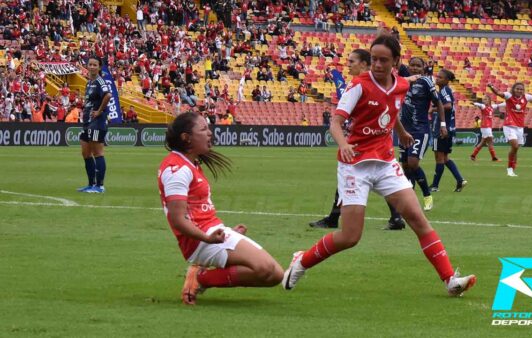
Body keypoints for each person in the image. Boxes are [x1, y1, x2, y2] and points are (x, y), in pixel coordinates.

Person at [286, 35, 476, 297]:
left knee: (418, 219)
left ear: (395, 61)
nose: (376, 64)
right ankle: (301, 261)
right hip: (355, 165)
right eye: (374, 59)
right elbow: (335, 122)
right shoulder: (358, 86)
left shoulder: (399, 84)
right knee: (351, 236)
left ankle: (450, 280)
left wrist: (402, 131)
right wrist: (343, 144)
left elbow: (392, 109)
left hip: (385, 163)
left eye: (383, 60)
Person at [158, 112, 284, 305]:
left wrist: (227, 231)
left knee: (275, 275)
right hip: (199, 240)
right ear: (186, 138)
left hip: (211, 232)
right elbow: (178, 219)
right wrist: (207, 238)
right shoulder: (176, 169)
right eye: (203, 129)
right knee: (265, 270)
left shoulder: (190, 163)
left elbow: (199, 210)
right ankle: (200, 278)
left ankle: (201, 276)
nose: (209, 133)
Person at [309, 49, 404, 230]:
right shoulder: (359, 84)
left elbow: (390, 109)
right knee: (357, 178)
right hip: (363, 139)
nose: (348, 64)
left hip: (372, 141)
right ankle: (395, 217)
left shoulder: (371, 84)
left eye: (352, 61)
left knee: (380, 177)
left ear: (363, 64)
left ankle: (395, 217)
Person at [398, 56, 445, 213]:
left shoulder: (426, 82)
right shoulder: (404, 80)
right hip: (404, 129)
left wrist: (443, 124)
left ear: (424, 67)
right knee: (405, 166)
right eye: (412, 65)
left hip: (420, 129)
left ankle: (427, 195)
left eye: (418, 66)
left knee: (413, 163)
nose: (415, 68)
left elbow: (438, 102)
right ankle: (410, 199)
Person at [488, 82, 532, 176]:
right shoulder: (508, 96)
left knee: (516, 148)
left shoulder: (526, 97)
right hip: (509, 126)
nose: (519, 91)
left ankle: (513, 167)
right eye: (517, 89)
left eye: (521, 89)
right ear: (514, 89)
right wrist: (491, 87)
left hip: (519, 127)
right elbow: (498, 93)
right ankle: (510, 169)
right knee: (514, 146)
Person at [77, 56, 112, 193]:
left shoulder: (100, 81)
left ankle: (100, 186)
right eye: (90, 64)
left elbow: (108, 95)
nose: (91, 67)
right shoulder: (89, 83)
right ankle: (91, 184)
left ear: (99, 67)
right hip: (87, 122)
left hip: (97, 122)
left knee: (97, 153)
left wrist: (99, 111)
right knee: (85, 152)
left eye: (94, 65)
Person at [429, 69, 467, 192]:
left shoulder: (445, 90)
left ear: (446, 80)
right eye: (437, 76)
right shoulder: (444, 90)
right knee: (445, 158)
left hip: (441, 129)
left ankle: (434, 186)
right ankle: (460, 180)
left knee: (439, 158)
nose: (437, 78)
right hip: (448, 128)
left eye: (440, 77)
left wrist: (432, 109)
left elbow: (448, 105)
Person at [470, 96, 504, 161]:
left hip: (487, 127)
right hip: (485, 126)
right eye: (483, 99)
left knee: (483, 142)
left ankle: (473, 155)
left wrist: (508, 102)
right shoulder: (483, 106)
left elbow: (499, 105)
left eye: (485, 99)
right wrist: (474, 103)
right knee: (490, 140)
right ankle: (494, 157)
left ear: (489, 100)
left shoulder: (492, 107)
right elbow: (479, 104)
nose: (484, 100)